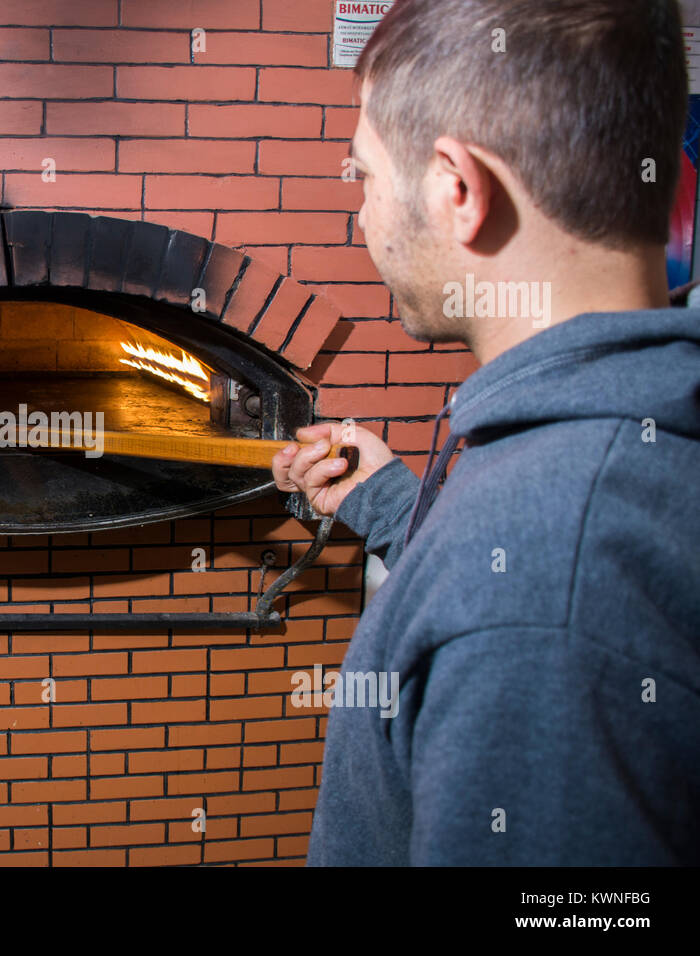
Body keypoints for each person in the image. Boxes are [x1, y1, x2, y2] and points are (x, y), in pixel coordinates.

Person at [272, 0, 700, 864]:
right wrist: (397, 506)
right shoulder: (626, 436)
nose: (359, 216)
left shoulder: (539, 579)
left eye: (361, 176)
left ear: (456, 190)